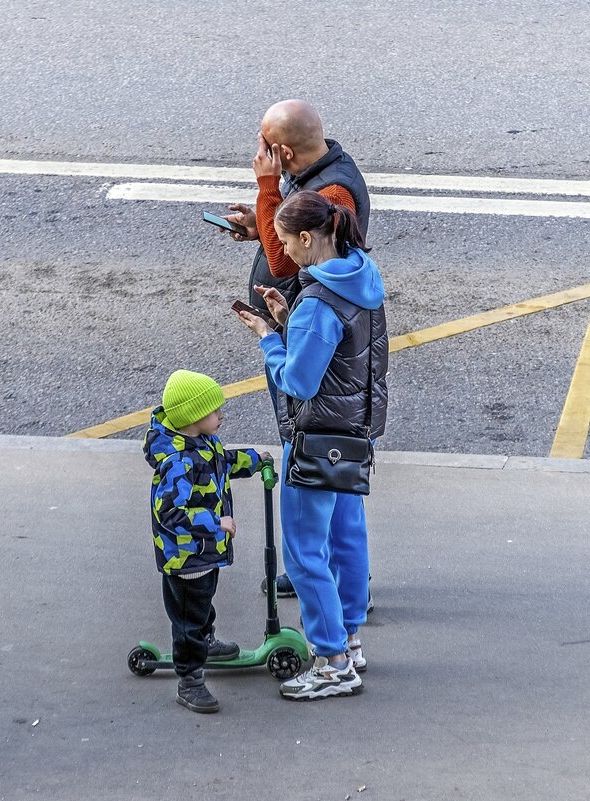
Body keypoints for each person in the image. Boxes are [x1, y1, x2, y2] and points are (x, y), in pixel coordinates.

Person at [235, 190, 388, 701]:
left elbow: (298, 381)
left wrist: (268, 335)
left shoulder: (316, 303)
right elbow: (344, 356)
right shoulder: (362, 278)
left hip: (316, 438)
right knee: (347, 539)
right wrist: (288, 320)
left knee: (304, 554)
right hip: (354, 432)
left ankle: (332, 662)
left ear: (307, 238)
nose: (282, 253)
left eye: (283, 241)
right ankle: (349, 636)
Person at [223, 99, 373, 603]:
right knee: (340, 484)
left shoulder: (333, 189)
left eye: (267, 148)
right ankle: (344, 593)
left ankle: (327, 591)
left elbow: (283, 265)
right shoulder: (317, 172)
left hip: (314, 363)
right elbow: (284, 243)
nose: (263, 155)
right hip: (313, 347)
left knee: (317, 464)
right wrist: (259, 223)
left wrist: (273, 336)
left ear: (283, 150)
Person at [142, 369, 270, 713]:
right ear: (194, 417)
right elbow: (169, 513)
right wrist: (216, 523)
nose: (221, 415)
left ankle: (207, 641)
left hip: (202, 554)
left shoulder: (201, 444)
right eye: (215, 411)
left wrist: (255, 460)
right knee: (188, 619)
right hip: (185, 558)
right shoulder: (178, 462)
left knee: (200, 604)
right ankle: (190, 678)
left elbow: (222, 462)